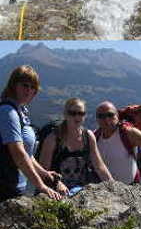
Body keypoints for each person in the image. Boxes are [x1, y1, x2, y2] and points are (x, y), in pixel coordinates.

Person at [0, 66, 64, 201]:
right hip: (5, 189)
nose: (29, 90)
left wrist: (44, 173)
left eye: (32, 87)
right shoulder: (8, 112)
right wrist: (41, 186)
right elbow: (18, 153)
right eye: (24, 85)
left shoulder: (21, 112)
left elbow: (27, 153)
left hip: (14, 188)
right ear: (14, 85)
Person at [38, 98, 113, 189]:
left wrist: (113, 186)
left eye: (81, 113)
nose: (77, 117)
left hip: (80, 191)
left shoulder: (88, 136)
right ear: (65, 114)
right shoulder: (53, 138)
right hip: (56, 190)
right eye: (73, 113)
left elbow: (99, 166)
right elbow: (43, 170)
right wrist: (56, 184)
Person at [94, 101, 141, 187]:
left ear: (117, 116)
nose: (106, 119)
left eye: (110, 115)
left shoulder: (128, 133)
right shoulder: (94, 137)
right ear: (97, 119)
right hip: (102, 190)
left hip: (129, 189)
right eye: (101, 116)